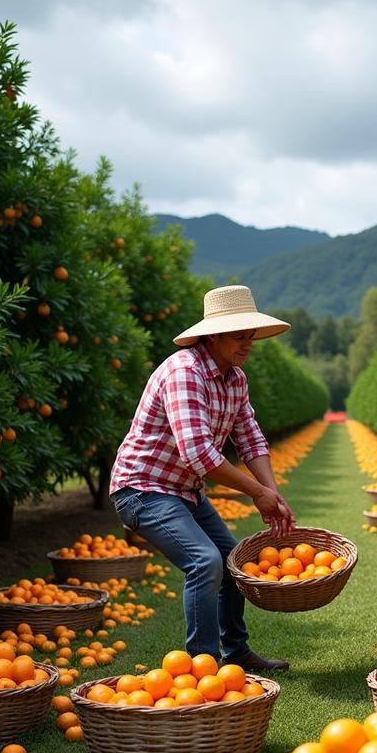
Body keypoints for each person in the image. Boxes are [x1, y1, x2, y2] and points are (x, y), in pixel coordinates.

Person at [110, 285, 295, 672]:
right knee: (204, 561)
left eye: (250, 335)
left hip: (183, 491)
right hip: (142, 489)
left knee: (233, 562)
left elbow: (250, 439)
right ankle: (201, 666)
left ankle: (237, 652)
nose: (247, 343)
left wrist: (272, 494)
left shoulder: (235, 379)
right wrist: (256, 492)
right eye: (238, 335)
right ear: (213, 335)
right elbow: (198, 455)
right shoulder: (185, 372)